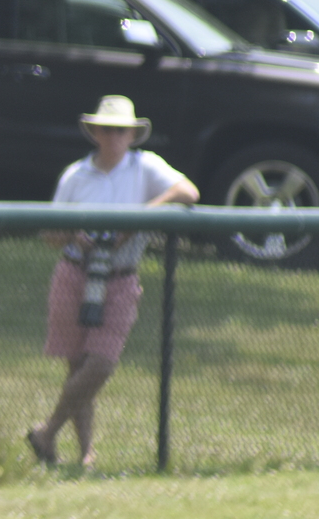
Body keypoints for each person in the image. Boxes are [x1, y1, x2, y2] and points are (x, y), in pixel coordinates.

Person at [26, 96, 199, 469]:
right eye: (107, 129)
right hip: (75, 273)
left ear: (132, 134)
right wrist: (76, 234)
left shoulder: (146, 167)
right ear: (96, 133)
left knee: (101, 364)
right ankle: (86, 455)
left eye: (121, 130)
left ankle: (47, 431)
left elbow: (187, 192)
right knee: (78, 368)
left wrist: (137, 219)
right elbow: (50, 233)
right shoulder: (76, 175)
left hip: (120, 277)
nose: (114, 136)